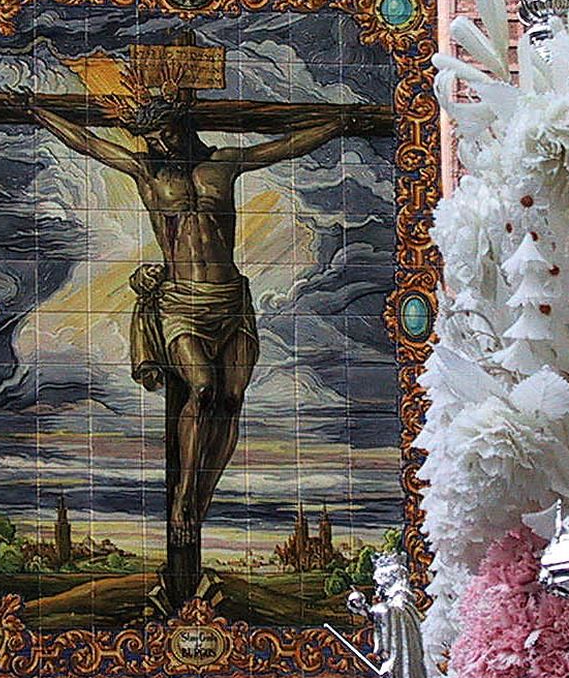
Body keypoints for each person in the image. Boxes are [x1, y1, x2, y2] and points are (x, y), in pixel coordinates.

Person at [23, 90, 351, 606]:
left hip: (230, 299)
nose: (155, 143)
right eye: (148, 136)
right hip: (180, 303)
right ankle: (182, 499)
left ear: (181, 125)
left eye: (162, 132)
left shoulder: (226, 164)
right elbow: (86, 141)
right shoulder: (146, 172)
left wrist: (340, 124)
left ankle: (199, 497)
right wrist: (36, 113)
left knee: (231, 400)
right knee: (201, 390)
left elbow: (286, 147)